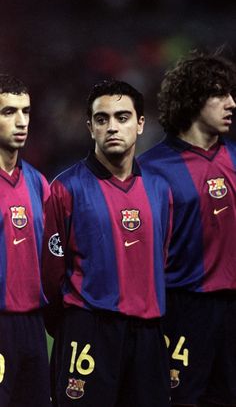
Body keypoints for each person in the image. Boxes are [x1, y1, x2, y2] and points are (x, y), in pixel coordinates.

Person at [42, 79, 172, 407]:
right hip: (88, 328)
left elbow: (163, 259)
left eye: (123, 117)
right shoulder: (66, 188)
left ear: (141, 124)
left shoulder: (159, 190)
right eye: (102, 119)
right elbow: (50, 272)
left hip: (148, 333)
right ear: (90, 127)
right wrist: (73, 324)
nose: (112, 127)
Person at [138, 50, 236, 407]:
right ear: (194, 100)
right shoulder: (151, 169)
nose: (231, 103)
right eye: (220, 94)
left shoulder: (235, 158)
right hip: (181, 309)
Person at [0, 74, 51, 407]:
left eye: (26, 111)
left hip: (34, 326)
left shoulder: (38, 183)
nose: (21, 122)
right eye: (8, 112)